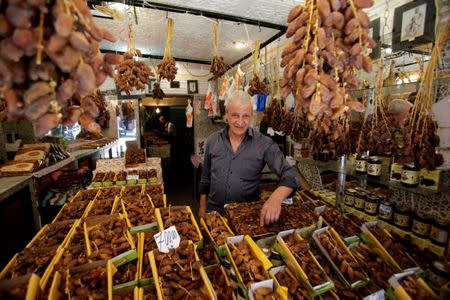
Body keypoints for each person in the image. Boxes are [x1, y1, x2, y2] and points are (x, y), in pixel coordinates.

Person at [199, 91, 310, 226]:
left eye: (246, 116)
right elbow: (205, 179)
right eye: (235, 115)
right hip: (214, 215)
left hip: (245, 218)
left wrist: (276, 198)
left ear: (252, 117)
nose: (240, 122)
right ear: (226, 115)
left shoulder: (264, 144)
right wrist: (202, 207)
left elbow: (290, 173)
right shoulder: (212, 140)